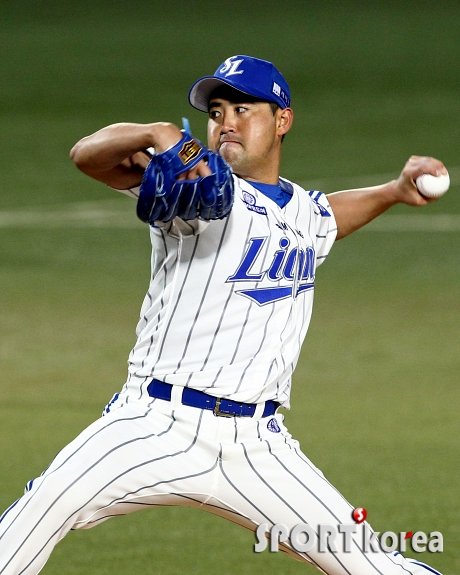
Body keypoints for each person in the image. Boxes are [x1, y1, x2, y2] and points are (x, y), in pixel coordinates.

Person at [0, 55, 447, 575]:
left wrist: (393, 192)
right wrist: (156, 133)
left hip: (257, 446)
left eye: (242, 109)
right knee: (39, 512)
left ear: (282, 120)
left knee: (370, 563)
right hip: (154, 423)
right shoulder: (194, 186)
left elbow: (328, 217)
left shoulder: (303, 211)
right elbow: (87, 157)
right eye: (216, 112)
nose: (226, 122)